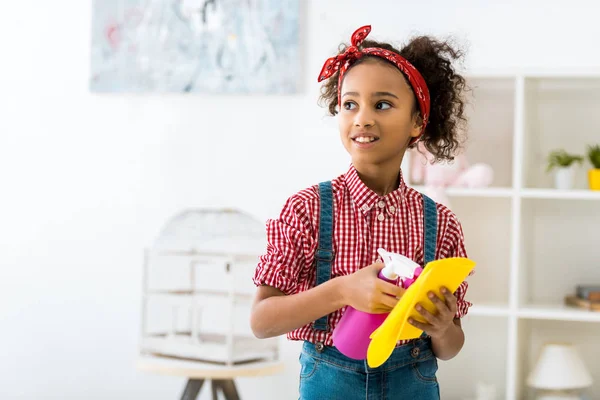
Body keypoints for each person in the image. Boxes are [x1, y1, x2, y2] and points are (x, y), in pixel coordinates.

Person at [250, 25, 473, 399]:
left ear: (417, 122)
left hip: (412, 383)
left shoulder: (440, 223)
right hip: (329, 383)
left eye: (382, 104)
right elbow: (261, 321)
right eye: (350, 104)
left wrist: (440, 327)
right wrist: (342, 291)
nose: (362, 118)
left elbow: (451, 347)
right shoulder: (307, 210)